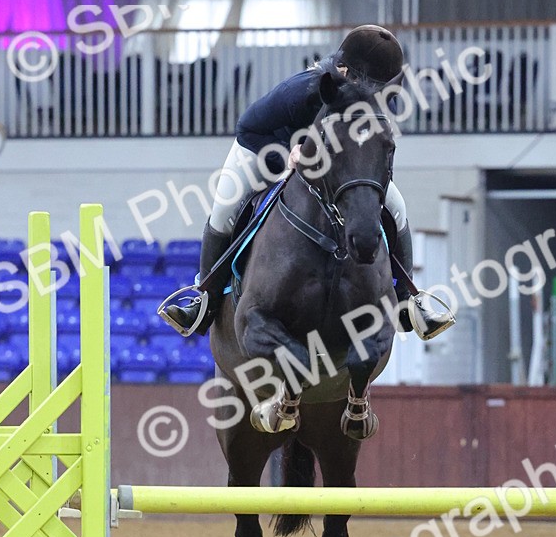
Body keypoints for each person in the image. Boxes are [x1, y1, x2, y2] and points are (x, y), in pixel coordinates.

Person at [161, 25, 454, 340]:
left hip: (333, 166)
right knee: (224, 211)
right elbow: (248, 128)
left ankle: (408, 300)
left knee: (397, 207)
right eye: (367, 85)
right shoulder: (301, 90)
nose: (372, 97)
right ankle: (204, 298)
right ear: (342, 69)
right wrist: (288, 153)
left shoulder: (377, 100)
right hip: (263, 151)